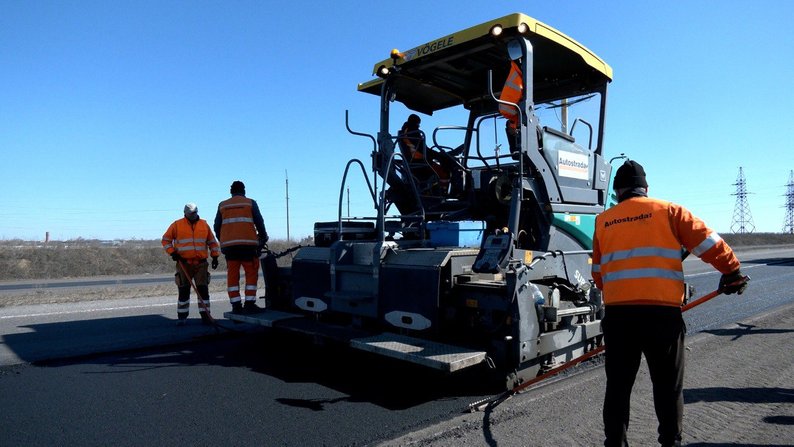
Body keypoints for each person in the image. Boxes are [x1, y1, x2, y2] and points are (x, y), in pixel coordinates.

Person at [591, 160, 748, 447]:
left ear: (617, 192)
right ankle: (670, 443)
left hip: (618, 318)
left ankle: (615, 443)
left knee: (617, 389)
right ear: (646, 189)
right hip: (661, 317)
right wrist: (732, 272)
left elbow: (599, 277)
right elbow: (709, 243)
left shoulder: (604, 221)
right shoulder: (669, 211)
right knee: (667, 388)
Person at [214, 180, 269, 314]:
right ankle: (249, 303)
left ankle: (236, 305)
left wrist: (224, 240)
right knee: (251, 273)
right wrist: (263, 237)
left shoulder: (222, 205)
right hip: (247, 247)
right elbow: (259, 221)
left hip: (230, 248)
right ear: (244, 191)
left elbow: (216, 226)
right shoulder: (250, 203)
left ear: (231, 191)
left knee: (232, 275)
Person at [161, 203, 220, 326]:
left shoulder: (204, 225)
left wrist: (215, 256)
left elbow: (212, 242)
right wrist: (172, 253)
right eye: (191, 213)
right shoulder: (177, 225)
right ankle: (182, 317)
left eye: (195, 212)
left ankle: (206, 316)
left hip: (201, 264)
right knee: (184, 291)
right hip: (184, 263)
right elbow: (166, 240)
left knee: (203, 290)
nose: (194, 215)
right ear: (185, 213)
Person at [397, 114, 453, 192]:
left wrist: (437, 155)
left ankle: (434, 191)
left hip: (415, 161)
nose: (419, 126)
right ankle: (443, 193)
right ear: (415, 123)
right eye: (418, 124)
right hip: (420, 162)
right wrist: (439, 156)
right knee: (444, 173)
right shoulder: (413, 132)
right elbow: (423, 150)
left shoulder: (405, 132)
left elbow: (423, 149)